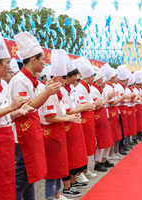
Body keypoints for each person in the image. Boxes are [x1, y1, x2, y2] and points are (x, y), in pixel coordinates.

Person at [0, 22, 34, 200]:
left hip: (5, 141)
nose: (10, 67)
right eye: (7, 63)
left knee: (6, 187)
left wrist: (16, 112)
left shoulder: (2, 84)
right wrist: (10, 108)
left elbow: (2, 115)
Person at [10, 31, 62, 200]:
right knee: (21, 179)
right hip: (20, 137)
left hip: (31, 133)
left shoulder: (31, 81)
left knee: (29, 176)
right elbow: (26, 108)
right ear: (33, 60)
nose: (43, 63)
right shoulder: (19, 81)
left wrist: (46, 91)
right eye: (42, 60)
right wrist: (46, 92)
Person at [39, 50, 80, 200]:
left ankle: (57, 194)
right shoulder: (50, 93)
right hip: (51, 133)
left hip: (58, 132)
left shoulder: (58, 93)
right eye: (63, 78)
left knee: (59, 166)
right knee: (53, 168)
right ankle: (50, 195)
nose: (65, 81)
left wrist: (68, 117)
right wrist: (68, 117)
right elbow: (49, 117)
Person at [60, 57, 89, 197]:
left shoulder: (70, 89)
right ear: (67, 76)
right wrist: (83, 107)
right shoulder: (60, 90)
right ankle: (66, 187)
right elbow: (66, 110)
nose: (76, 79)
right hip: (66, 126)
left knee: (76, 155)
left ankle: (73, 180)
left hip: (73, 124)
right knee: (67, 157)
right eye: (74, 77)